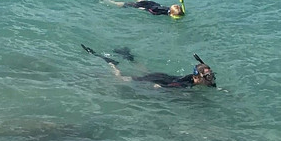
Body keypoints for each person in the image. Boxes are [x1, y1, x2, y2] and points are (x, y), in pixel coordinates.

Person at [82, 46, 216, 88]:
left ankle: (129, 57)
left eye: (212, 75)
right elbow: (170, 87)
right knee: (121, 78)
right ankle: (111, 63)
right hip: (159, 80)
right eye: (209, 76)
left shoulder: (194, 79)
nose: (212, 78)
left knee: (145, 71)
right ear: (197, 77)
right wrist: (158, 88)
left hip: (163, 76)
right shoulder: (185, 85)